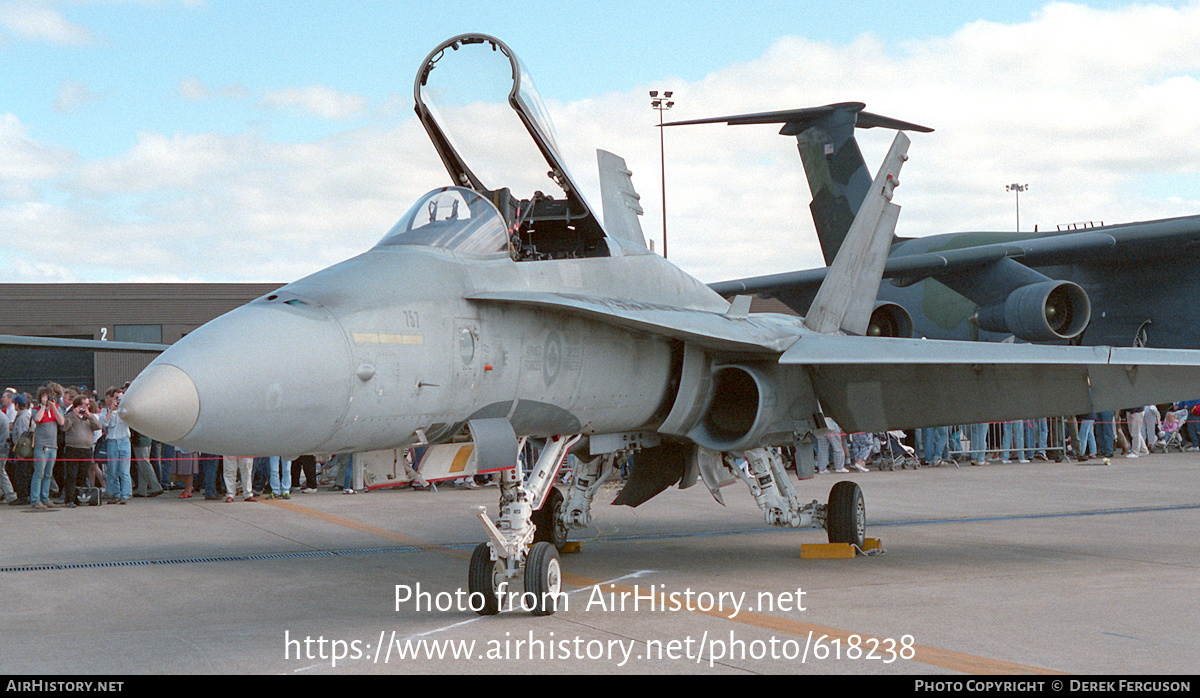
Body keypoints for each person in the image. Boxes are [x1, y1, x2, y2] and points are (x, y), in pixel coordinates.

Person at [61, 395, 102, 508]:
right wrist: (74, 416)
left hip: (87, 449)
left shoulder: (90, 416)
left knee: (83, 474)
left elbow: (99, 426)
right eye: (86, 404)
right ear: (79, 405)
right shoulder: (69, 415)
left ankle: (80, 497)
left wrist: (90, 417)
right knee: (71, 475)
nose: (88, 406)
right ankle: (70, 499)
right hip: (73, 449)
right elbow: (64, 427)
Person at [31, 387, 65, 509]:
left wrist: (53, 407)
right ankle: (35, 499)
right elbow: (37, 419)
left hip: (53, 445)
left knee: (48, 474)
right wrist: (44, 406)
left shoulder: (57, 409)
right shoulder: (36, 409)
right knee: (39, 473)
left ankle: (45, 498)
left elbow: (61, 422)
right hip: (41, 445)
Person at [100, 388, 133, 505]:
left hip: (124, 440)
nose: (118, 400)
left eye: (121, 398)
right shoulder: (106, 410)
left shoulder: (126, 411)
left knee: (124, 470)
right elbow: (104, 423)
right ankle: (115, 494)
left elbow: (132, 421)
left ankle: (125, 494)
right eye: (116, 398)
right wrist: (112, 410)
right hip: (112, 441)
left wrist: (123, 408)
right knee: (112, 470)